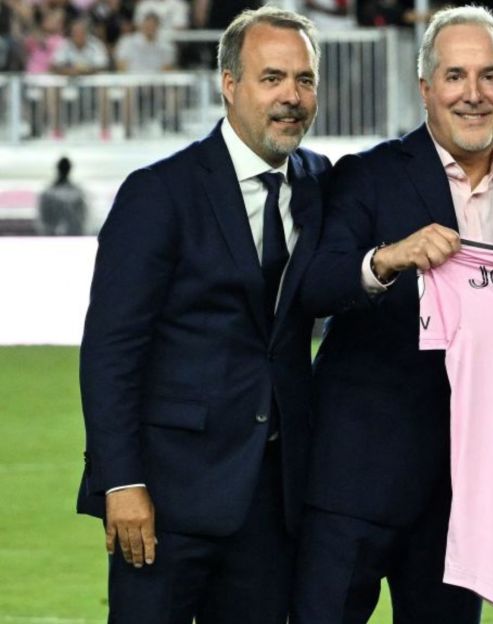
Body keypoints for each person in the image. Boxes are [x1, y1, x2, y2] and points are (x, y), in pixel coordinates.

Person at [291, 6, 493, 623]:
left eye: (489, 76)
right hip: (354, 484)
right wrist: (386, 260)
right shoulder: (367, 174)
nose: (474, 94)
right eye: (455, 76)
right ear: (426, 89)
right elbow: (316, 287)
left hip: (465, 502)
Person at [77, 7, 330, 622]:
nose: (291, 97)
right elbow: (111, 350)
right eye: (272, 78)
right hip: (165, 500)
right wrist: (121, 481)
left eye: (304, 80)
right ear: (229, 84)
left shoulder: (322, 182)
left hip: (272, 504)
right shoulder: (159, 193)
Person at [37, 156, 87, 235]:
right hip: (71, 237)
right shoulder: (78, 194)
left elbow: (43, 220)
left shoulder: (47, 194)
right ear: (69, 169)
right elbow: (83, 219)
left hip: (54, 238)